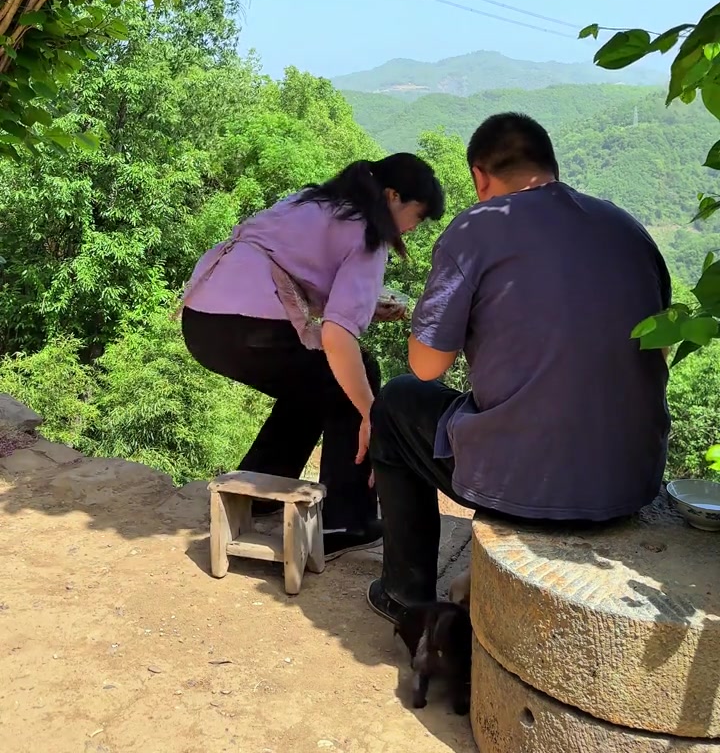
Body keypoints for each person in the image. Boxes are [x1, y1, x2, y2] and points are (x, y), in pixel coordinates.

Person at [367, 113, 671, 622]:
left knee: (397, 400)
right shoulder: (627, 228)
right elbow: (656, 353)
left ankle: (406, 595)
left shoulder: (478, 227)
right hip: (631, 479)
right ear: (550, 166)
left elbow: (426, 366)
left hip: (527, 483)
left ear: (479, 176)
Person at [181, 154, 444, 559]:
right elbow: (339, 336)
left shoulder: (310, 201)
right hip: (250, 328)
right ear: (393, 196)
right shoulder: (369, 234)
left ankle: (258, 491)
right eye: (417, 215)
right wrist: (370, 413)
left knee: (313, 379)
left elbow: (290, 277)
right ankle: (346, 519)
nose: (414, 228)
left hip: (201, 320)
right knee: (352, 374)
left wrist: (368, 309)